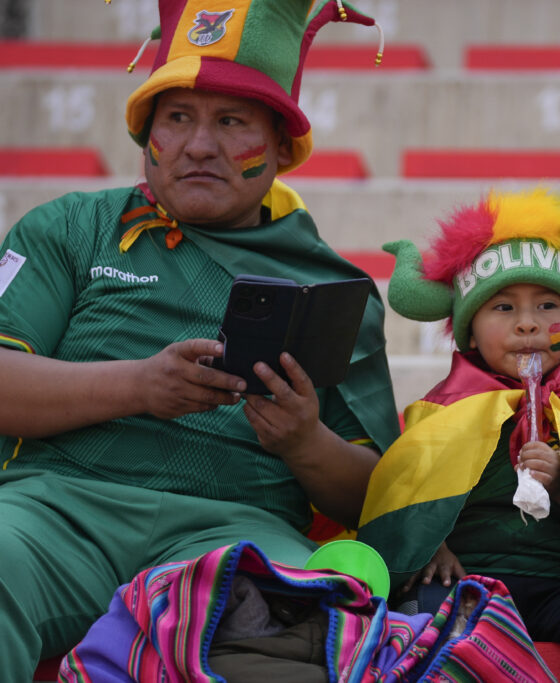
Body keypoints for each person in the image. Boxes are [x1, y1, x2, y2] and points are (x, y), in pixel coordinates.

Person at [0, 2, 400, 679]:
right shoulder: (68, 229)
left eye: (232, 121)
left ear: (280, 146)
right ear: (146, 133)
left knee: (310, 626)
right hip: (55, 515)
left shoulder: (335, 289)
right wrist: (139, 385)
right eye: (178, 117)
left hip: (236, 534)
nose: (199, 145)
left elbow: (376, 493)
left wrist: (304, 441)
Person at [356, 187, 560, 682]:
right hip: (466, 578)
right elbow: (406, 493)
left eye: (548, 306)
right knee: (420, 618)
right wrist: (427, 543)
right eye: (503, 309)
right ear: (470, 331)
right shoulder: (445, 404)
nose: (528, 325)